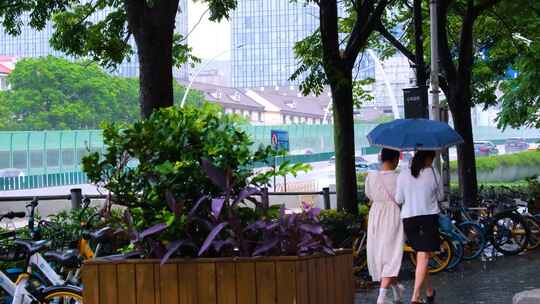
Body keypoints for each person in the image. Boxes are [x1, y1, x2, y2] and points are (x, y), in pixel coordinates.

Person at [395, 150, 444, 304]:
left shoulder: (403, 173)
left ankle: (429, 292)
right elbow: (441, 196)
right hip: (428, 218)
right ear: (427, 158)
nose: (432, 162)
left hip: (409, 219)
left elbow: (399, 198)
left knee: (422, 256)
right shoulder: (434, 172)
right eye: (432, 159)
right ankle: (415, 297)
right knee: (423, 256)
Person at [365, 148, 405, 304]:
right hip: (392, 215)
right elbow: (401, 198)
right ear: (395, 160)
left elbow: (369, 195)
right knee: (392, 255)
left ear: (381, 158)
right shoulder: (398, 178)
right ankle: (381, 297)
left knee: (380, 254)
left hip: (376, 215)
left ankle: (396, 289)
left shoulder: (371, 176)